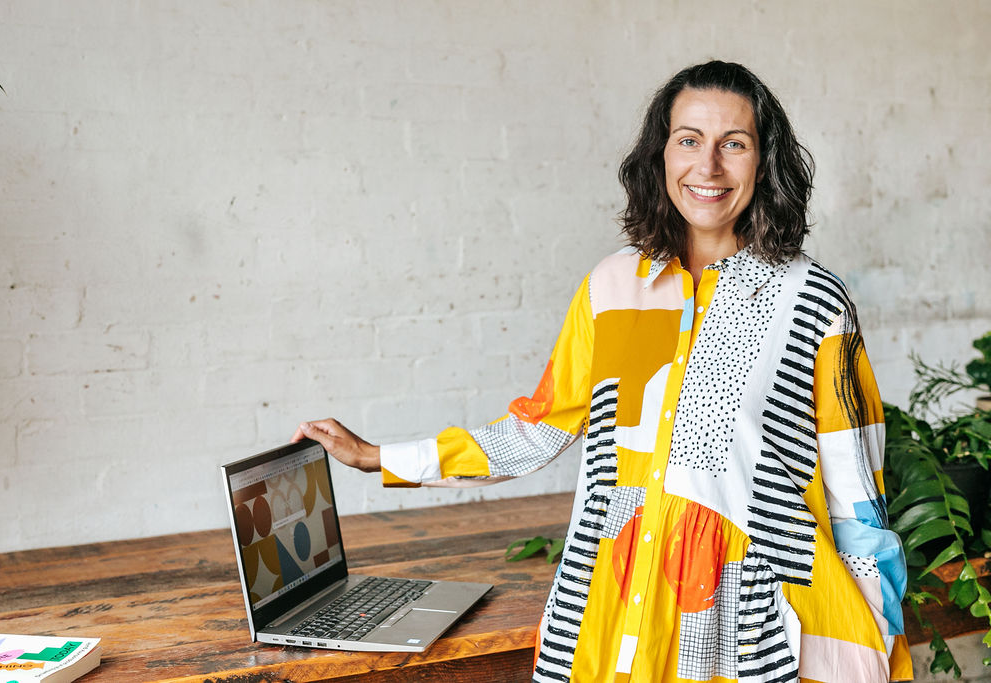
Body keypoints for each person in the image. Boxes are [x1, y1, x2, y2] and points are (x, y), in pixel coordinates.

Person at [293, 60, 912, 683]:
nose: (709, 166)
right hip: (609, 608)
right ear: (660, 154)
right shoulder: (612, 286)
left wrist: (872, 642)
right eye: (689, 140)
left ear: (765, 161)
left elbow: (857, 494)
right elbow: (538, 429)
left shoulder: (815, 301)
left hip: (740, 627)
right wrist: (379, 456)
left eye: (735, 144)